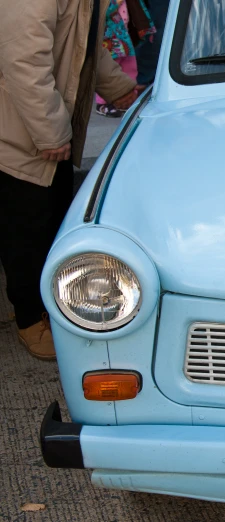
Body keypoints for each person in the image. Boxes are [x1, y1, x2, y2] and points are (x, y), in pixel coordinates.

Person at [0, 0, 140, 360]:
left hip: (42, 128)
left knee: (52, 222)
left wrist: (122, 89)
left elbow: (84, 48)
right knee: (26, 230)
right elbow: (22, 61)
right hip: (18, 134)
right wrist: (51, 132)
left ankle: (51, 304)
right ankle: (30, 316)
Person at [96, 0, 156, 117]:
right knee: (107, 68)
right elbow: (101, 11)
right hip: (108, 37)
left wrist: (147, 27)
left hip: (124, 35)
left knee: (130, 66)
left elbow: (139, 8)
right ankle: (103, 103)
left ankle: (130, 97)